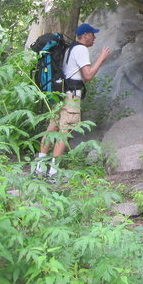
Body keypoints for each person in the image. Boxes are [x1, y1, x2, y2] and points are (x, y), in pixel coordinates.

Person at [34, 23, 110, 179]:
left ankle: (38, 169)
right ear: (86, 35)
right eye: (92, 34)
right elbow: (87, 76)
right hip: (71, 97)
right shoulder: (81, 49)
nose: (94, 38)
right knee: (64, 132)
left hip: (60, 95)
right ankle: (53, 173)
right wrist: (101, 58)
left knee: (51, 130)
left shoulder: (69, 48)